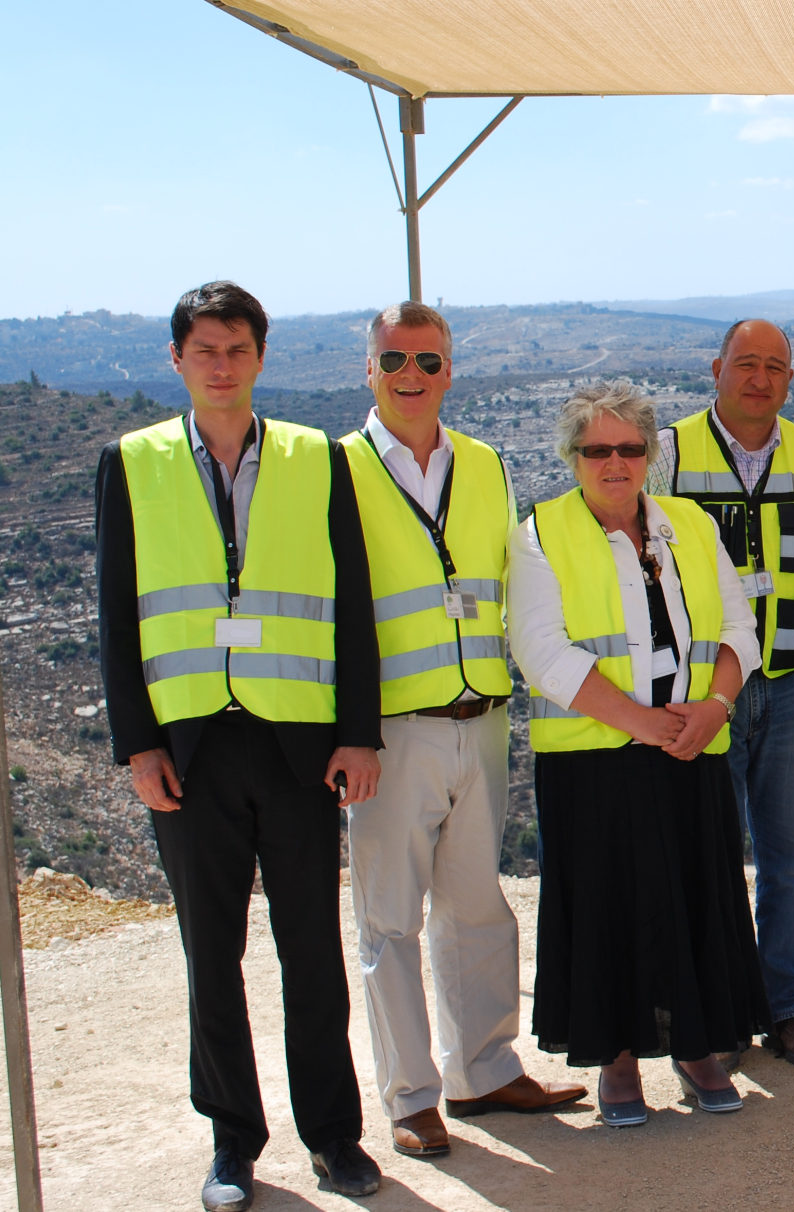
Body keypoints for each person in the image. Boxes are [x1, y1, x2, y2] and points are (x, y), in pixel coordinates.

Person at [95, 281, 383, 1209]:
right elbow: (114, 613)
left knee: (312, 951)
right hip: (187, 751)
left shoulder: (315, 457)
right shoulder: (131, 461)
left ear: (261, 357)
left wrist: (358, 734)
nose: (222, 365)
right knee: (207, 952)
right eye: (204, 350)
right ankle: (232, 1140)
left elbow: (352, 607)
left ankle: (335, 1137)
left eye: (238, 349)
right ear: (177, 361)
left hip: (298, 747)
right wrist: (136, 747)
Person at [337, 302, 584, 1160]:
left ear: (451, 369)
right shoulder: (340, 470)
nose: (413, 375)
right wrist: (347, 733)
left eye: (430, 361)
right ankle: (411, 1096)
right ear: (367, 367)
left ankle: (484, 1071)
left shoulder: (482, 464)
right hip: (389, 729)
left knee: (478, 907)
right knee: (391, 919)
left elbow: (517, 582)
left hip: (482, 715)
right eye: (395, 359)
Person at [508, 382, 770, 1126]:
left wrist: (715, 708)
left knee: (694, 900)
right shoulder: (539, 534)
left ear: (650, 455)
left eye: (629, 448)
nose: (615, 462)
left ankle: (697, 1050)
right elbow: (543, 654)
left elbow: (738, 631)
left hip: (691, 750)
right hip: (594, 762)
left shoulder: (688, 523)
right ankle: (617, 1064)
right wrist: (644, 723)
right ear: (574, 458)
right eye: (598, 450)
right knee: (606, 910)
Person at [648, 319, 794, 1066]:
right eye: (746, 364)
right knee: (706, 855)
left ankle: (788, 1007)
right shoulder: (667, 455)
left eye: (775, 367)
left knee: (793, 859)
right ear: (716, 368)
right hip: (704, 691)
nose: (759, 379)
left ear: (789, 380)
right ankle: (715, 1009)